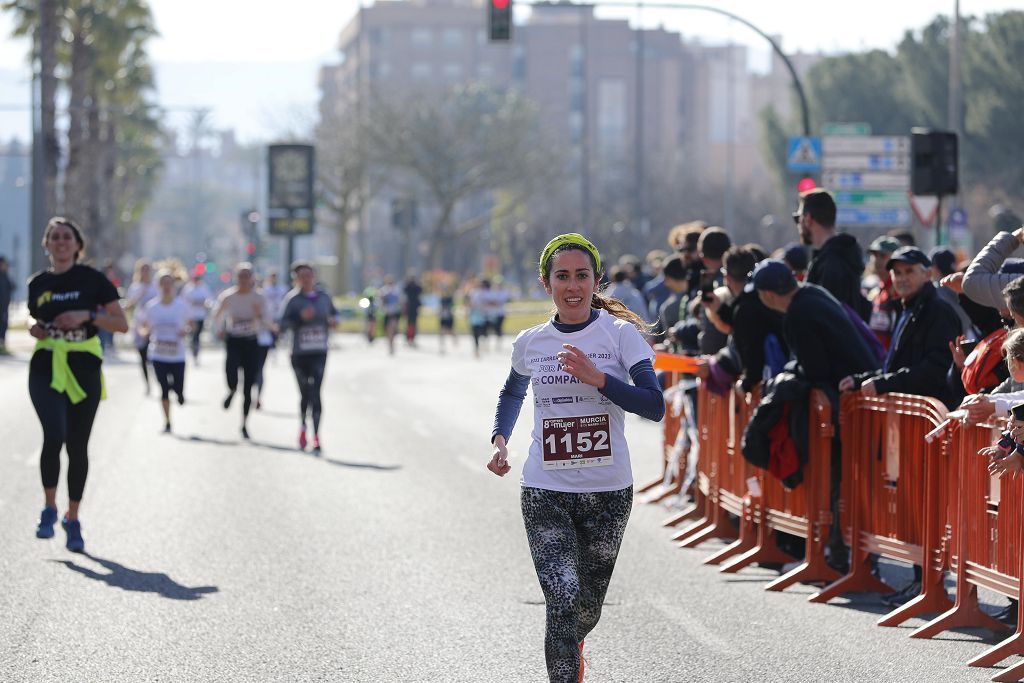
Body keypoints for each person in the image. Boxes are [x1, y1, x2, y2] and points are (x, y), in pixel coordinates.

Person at [487, 232, 664, 682]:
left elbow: (654, 405)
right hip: (545, 489)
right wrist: (500, 437)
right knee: (562, 601)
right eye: (561, 276)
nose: (572, 285)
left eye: (581, 276)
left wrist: (599, 379)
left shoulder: (620, 335)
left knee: (585, 608)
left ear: (596, 281)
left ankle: (575, 641)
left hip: (608, 493)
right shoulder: (532, 341)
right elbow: (513, 391)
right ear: (547, 284)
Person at [27, 218, 128, 552]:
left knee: (77, 446)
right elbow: (32, 316)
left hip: (84, 366)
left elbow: (121, 324)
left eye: (66, 237)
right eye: (54, 237)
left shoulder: (93, 280)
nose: (60, 242)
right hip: (46, 365)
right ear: (47, 244)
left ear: (77, 244)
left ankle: (73, 517)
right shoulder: (38, 283)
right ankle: (49, 507)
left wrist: (87, 316)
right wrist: (35, 328)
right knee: (53, 434)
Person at [839, 247, 960, 408]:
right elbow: (895, 366)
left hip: (931, 418)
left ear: (927, 274)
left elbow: (936, 369)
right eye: (897, 272)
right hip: (911, 416)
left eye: (909, 271)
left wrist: (885, 383)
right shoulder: (905, 308)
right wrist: (861, 380)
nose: (902, 278)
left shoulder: (938, 311)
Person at [278, 262, 338, 453]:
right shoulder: (293, 300)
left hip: (319, 351)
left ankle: (317, 435)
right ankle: (303, 426)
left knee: (317, 392)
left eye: (309, 275)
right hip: (299, 353)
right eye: (302, 276)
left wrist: (333, 321)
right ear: (296, 279)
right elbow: (282, 323)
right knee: (305, 393)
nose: (306, 279)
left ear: (314, 277)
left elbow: (335, 315)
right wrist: (299, 319)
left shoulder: (323, 297)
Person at [212, 263, 268, 439]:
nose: (243, 279)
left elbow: (269, 321)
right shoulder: (228, 296)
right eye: (240, 276)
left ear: (252, 278)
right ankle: (231, 390)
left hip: (251, 342)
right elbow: (217, 315)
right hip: (233, 341)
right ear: (236, 278)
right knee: (231, 374)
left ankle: (244, 423)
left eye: (247, 276)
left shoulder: (259, 298)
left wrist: (259, 316)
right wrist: (219, 329)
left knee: (249, 386)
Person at [797, 188, 871, 321]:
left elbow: (826, 320)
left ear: (808, 219)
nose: (798, 224)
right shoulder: (841, 255)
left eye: (798, 218)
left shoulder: (831, 264)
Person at [142, 271, 190, 433]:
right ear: (158, 286)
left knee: (177, 387)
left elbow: (192, 325)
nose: (167, 287)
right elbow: (143, 326)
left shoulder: (181, 306)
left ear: (174, 285)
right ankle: (168, 421)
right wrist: (144, 332)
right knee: (163, 389)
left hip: (177, 355)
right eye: (163, 283)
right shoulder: (151, 307)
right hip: (158, 354)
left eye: (169, 283)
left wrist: (186, 330)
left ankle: (179, 392)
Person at [125, 259, 159, 394]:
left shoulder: (156, 286)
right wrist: (141, 294)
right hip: (140, 324)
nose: (146, 272)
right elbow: (129, 305)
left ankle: (158, 378)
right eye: (143, 269)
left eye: (148, 269)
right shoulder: (135, 287)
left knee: (155, 354)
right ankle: (147, 384)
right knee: (143, 355)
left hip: (154, 324)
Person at [865, 236, 901, 349]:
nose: (877, 260)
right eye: (874, 255)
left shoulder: (900, 292)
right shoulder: (876, 292)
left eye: (883, 256)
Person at [181, 270, 212, 364]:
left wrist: (203, 303)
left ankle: (196, 351)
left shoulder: (204, 287)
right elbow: (182, 301)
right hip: (191, 317)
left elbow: (209, 300)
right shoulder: (187, 288)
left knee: (197, 335)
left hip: (200, 316)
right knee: (193, 335)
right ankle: (193, 350)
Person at [379, 275, 403, 355]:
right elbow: (381, 300)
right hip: (386, 312)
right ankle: (390, 344)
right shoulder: (383, 289)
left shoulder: (396, 289)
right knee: (387, 330)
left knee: (392, 328)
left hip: (394, 312)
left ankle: (392, 344)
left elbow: (400, 300)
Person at [468, 279, 491, 358]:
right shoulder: (474, 293)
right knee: (475, 333)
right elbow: (471, 303)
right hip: (475, 316)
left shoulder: (487, 293)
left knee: (483, 332)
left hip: (483, 316)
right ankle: (476, 349)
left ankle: (483, 344)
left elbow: (489, 303)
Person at [403, 272, 423, 346]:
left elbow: (420, 290)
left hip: (414, 307)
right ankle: (408, 337)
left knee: (413, 324)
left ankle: (412, 338)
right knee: (409, 324)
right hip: (409, 307)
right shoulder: (408, 286)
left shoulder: (416, 286)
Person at [0, 255, 14, 354]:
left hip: (4, 307)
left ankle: (2, 345)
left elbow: (12, 286)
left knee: (3, 326)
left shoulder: (5, 276)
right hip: (1, 307)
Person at [438, 287, 457, 354]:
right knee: (442, 331)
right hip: (443, 317)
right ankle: (442, 346)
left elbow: (451, 307)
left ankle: (455, 339)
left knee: (450, 330)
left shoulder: (450, 299)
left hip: (449, 317)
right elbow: (440, 307)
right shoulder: (442, 299)